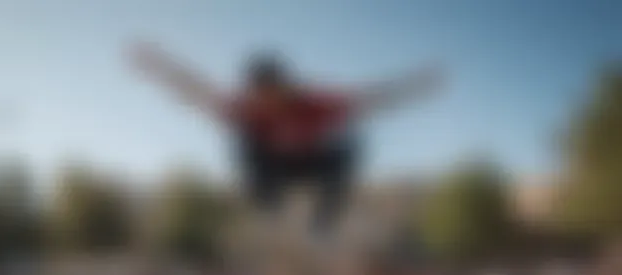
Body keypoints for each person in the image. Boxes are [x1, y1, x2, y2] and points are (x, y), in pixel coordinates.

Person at [127, 42, 445, 250]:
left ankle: (325, 216)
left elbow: (370, 100)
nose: (267, 104)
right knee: (241, 139)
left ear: (284, 86)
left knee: (349, 146)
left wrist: (415, 86)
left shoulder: (316, 103)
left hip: (313, 165)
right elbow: (197, 90)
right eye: (260, 96)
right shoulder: (246, 109)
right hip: (273, 169)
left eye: (272, 95)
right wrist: (159, 68)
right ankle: (267, 201)